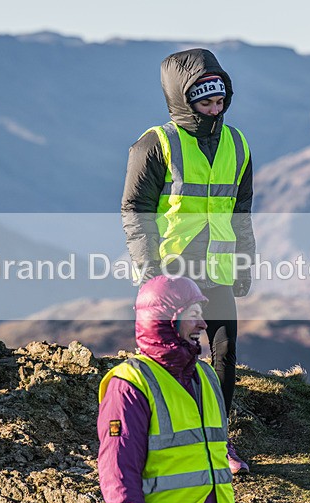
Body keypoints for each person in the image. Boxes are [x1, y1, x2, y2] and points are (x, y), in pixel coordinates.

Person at [121, 48, 254, 473]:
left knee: (225, 354)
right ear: (183, 100)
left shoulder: (237, 142)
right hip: (172, 276)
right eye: (205, 103)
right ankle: (161, 443)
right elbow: (135, 211)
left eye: (220, 101)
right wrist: (151, 276)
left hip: (216, 272)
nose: (215, 110)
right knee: (174, 360)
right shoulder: (155, 144)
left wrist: (245, 263)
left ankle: (220, 444)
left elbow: (241, 210)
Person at [97, 275, 243, 503]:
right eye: (193, 314)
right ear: (166, 321)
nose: (203, 323)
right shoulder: (130, 385)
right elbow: (120, 479)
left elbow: (218, 466)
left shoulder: (207, 378)